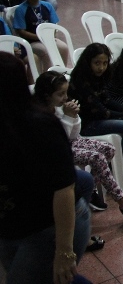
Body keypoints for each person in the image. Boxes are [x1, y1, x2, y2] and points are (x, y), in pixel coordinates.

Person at [0, 53, 92, 284]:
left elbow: (64, 188)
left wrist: (64, 251)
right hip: (11, 225)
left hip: (48, 225)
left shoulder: (39, 124)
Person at [34, 71, 123, 217]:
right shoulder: (41, 115)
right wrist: (68, 118)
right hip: (59, 151)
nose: (65, 97)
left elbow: (74, 134)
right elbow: (59, 141)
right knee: (97, 157)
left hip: (72, 140)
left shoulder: (60, 107)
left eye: (66, 92)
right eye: (60, 94)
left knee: (108, 148)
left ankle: (92, 189)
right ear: (47, 96)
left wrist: (74, 117)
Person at [68, 43, 123, 180]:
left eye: (105, 63)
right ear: (88, 62)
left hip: (99, 118)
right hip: (87, 124)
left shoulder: (98, 77)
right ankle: (120, 164)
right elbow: (100, 111)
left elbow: (107, 100)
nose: (101, 67)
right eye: (97, 63)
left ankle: (121, 159)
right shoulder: (80, 81)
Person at [12, 0, 69, 73]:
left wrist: (51, 35)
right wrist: (39, 37)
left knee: (63, 47)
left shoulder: (47, 5)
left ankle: (62, 72)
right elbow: (21, 32)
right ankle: (46, 76)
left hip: (47, 38)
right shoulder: (21, 10)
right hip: (31, 42)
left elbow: (53, 25)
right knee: (45, 51)